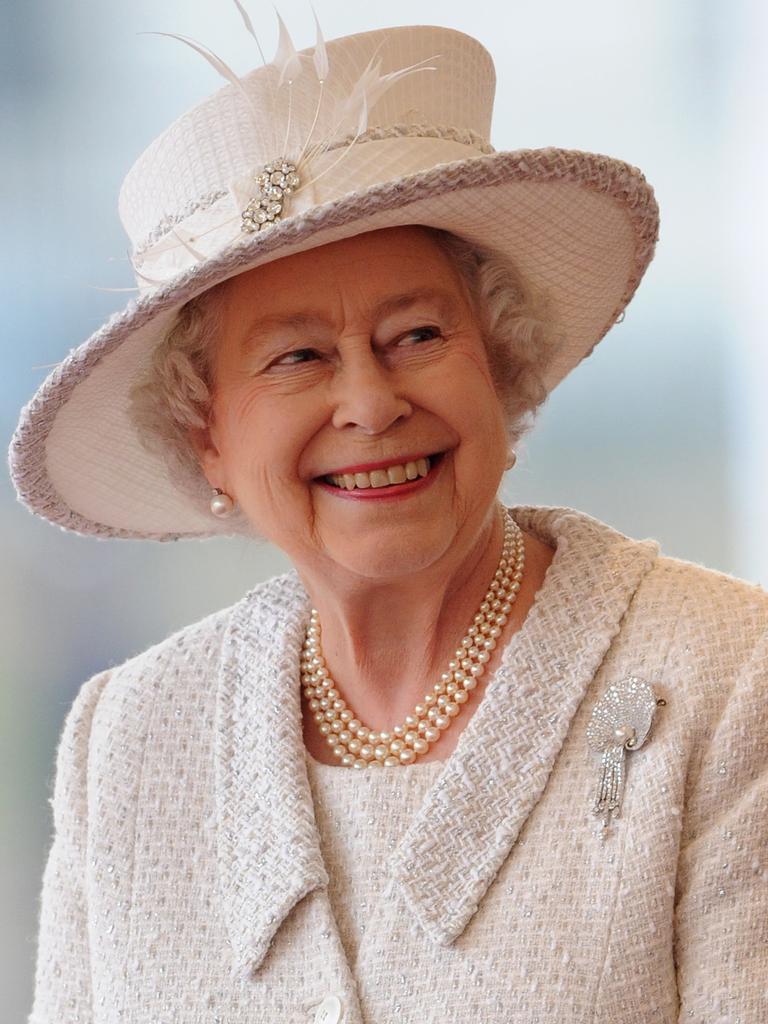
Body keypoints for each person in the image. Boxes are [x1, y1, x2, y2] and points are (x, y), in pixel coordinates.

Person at [10, 20, 766, 1024]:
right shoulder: (129, 740)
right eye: (297, 357)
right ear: (208, 438)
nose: (369, 403)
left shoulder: (725, 678)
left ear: (502, 368)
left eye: (417, 334)